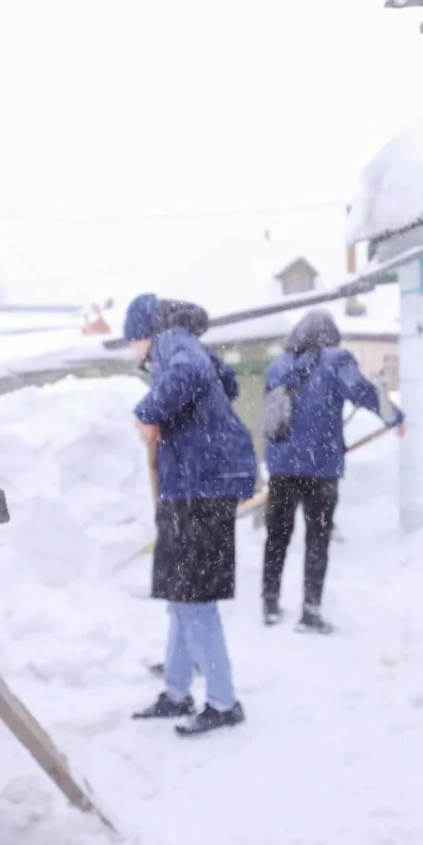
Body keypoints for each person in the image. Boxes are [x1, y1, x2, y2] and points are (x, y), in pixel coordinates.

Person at [125, 293, 257, 736]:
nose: (133, 350)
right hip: (194, 487)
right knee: (182, 599)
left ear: (145, 332)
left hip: (201, 491)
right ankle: (177, 692)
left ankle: (223, 702)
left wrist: (149, 411)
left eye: (132, 340)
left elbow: (192, 374)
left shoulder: (174, 345)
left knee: (195, 601)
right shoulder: (182, 345)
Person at [260, 310, 403, 633]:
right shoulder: (336, 360)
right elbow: (363, 391)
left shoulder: (278, 366)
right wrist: (394, 415)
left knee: (277, 536)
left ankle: (269, 603)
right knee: (317, 539)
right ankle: (310, 612)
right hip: (319, 468)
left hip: (282, 467)